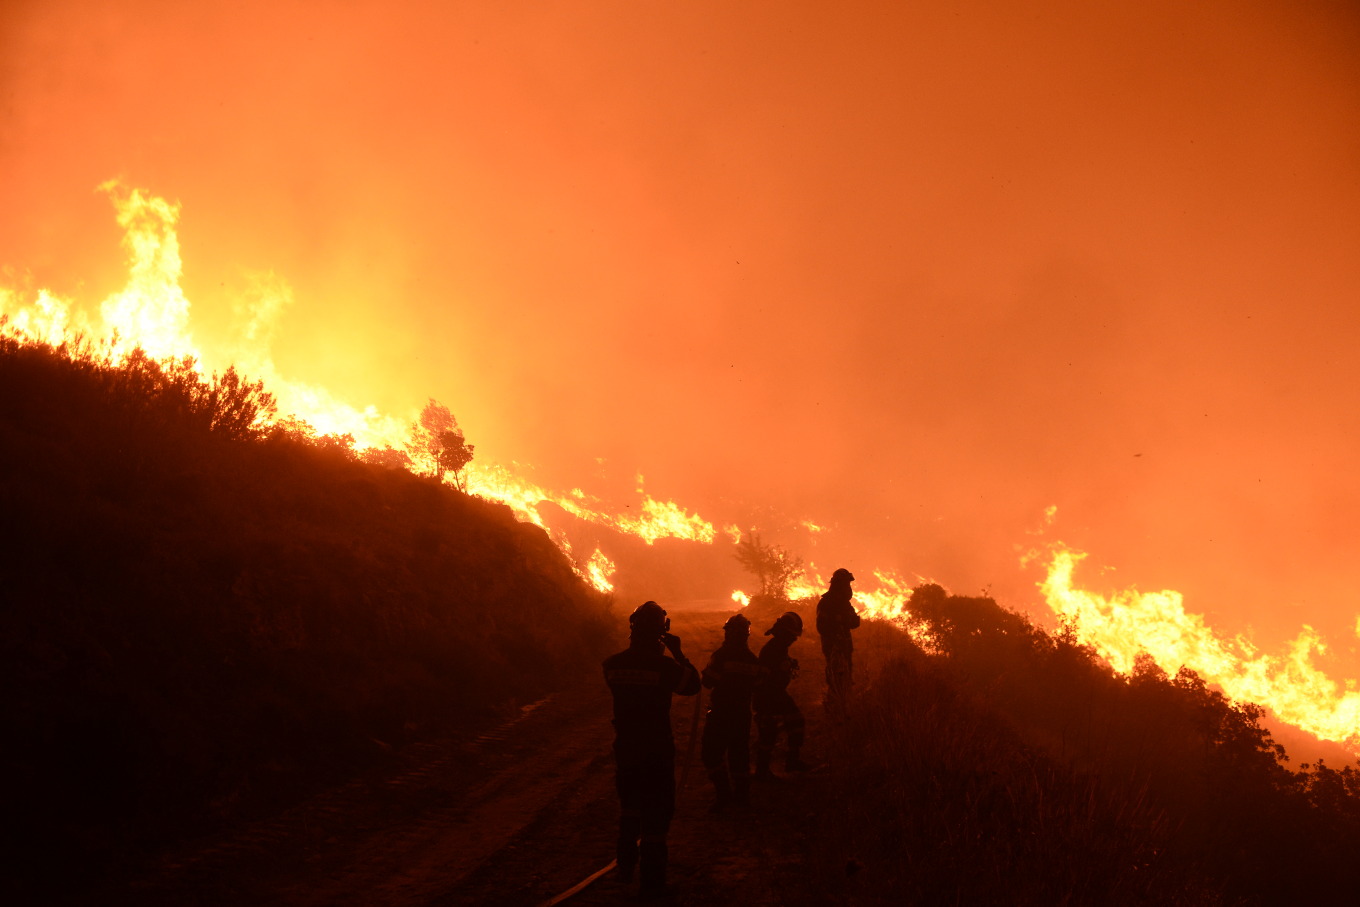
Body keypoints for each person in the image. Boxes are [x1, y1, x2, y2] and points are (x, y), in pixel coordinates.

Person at [603, 600, 700, 897]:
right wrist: (678, 652)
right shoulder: (665, 667)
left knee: (630, 808)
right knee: (656, 815)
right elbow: (692, 685)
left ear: (633, 629)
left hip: (627, 749)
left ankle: (625, 868)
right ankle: (652, 883)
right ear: (662, 631)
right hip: (656, 750)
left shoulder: (612, 664)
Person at [700, 613, 760, 811]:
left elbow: (708, 682)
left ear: (729, 634)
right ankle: (742, 798)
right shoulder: (753, 660)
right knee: (739, 755)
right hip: (742, 715)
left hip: (721, 714)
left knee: (711, 753)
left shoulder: (721, 656)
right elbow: (758, 687)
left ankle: (724, 795)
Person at [753, 611, 808, 779]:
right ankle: (762, 771)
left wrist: (789, 663)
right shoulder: (772, 649)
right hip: (768, 696)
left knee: (796, 721)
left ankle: (792, 761)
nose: (794, 639)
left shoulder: (779, 647)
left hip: (777, 693)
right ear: (784, 633)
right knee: (768, 733)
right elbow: (765, 678)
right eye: (792, 636)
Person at [816, 568, 861, 717]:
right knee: (836, 676)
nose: (848, 587)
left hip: (845, 646)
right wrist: (836, 625)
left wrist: (847, 620)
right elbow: (821, 627)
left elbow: (855, 622)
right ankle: (833, 708)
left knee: (846, 675)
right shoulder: (826, 603)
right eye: (846, 584)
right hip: (833, 646)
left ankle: (844, 707)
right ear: (838, 584)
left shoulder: (844, 604)